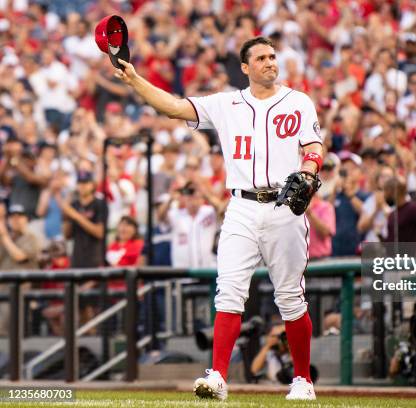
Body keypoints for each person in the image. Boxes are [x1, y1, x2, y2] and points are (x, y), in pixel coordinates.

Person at [113, 36, 323, 401]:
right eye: (261, 58)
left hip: (284, 206)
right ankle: (218, 376)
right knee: (228, 291)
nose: (270, 62)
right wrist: (134, 80)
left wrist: (309, 169)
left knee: (290, 297)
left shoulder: (298, 101)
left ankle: (302, 379)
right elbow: (175, 107)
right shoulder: (227, 103)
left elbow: (313, 146)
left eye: (273, 56)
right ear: (245, 67)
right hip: (241, 206)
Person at [0, 203, 41, 335]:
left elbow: (20, 256)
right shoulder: (6, 238)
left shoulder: (31, 237)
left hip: (21, 293)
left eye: (19, 216)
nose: (15, 219)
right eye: (12, 217)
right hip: (3, 291)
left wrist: (4, 237)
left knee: (11, 333)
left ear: (26, 219)